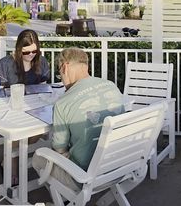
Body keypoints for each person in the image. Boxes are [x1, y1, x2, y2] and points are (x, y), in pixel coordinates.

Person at [32, 47, 124, 190]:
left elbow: (59, 149)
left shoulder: (63, 103)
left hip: (85, 177)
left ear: (64, 67)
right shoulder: (111, 85)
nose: (61, 78)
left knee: (39, 156)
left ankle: (62, 204)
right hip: (119, 167)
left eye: (59, 73)